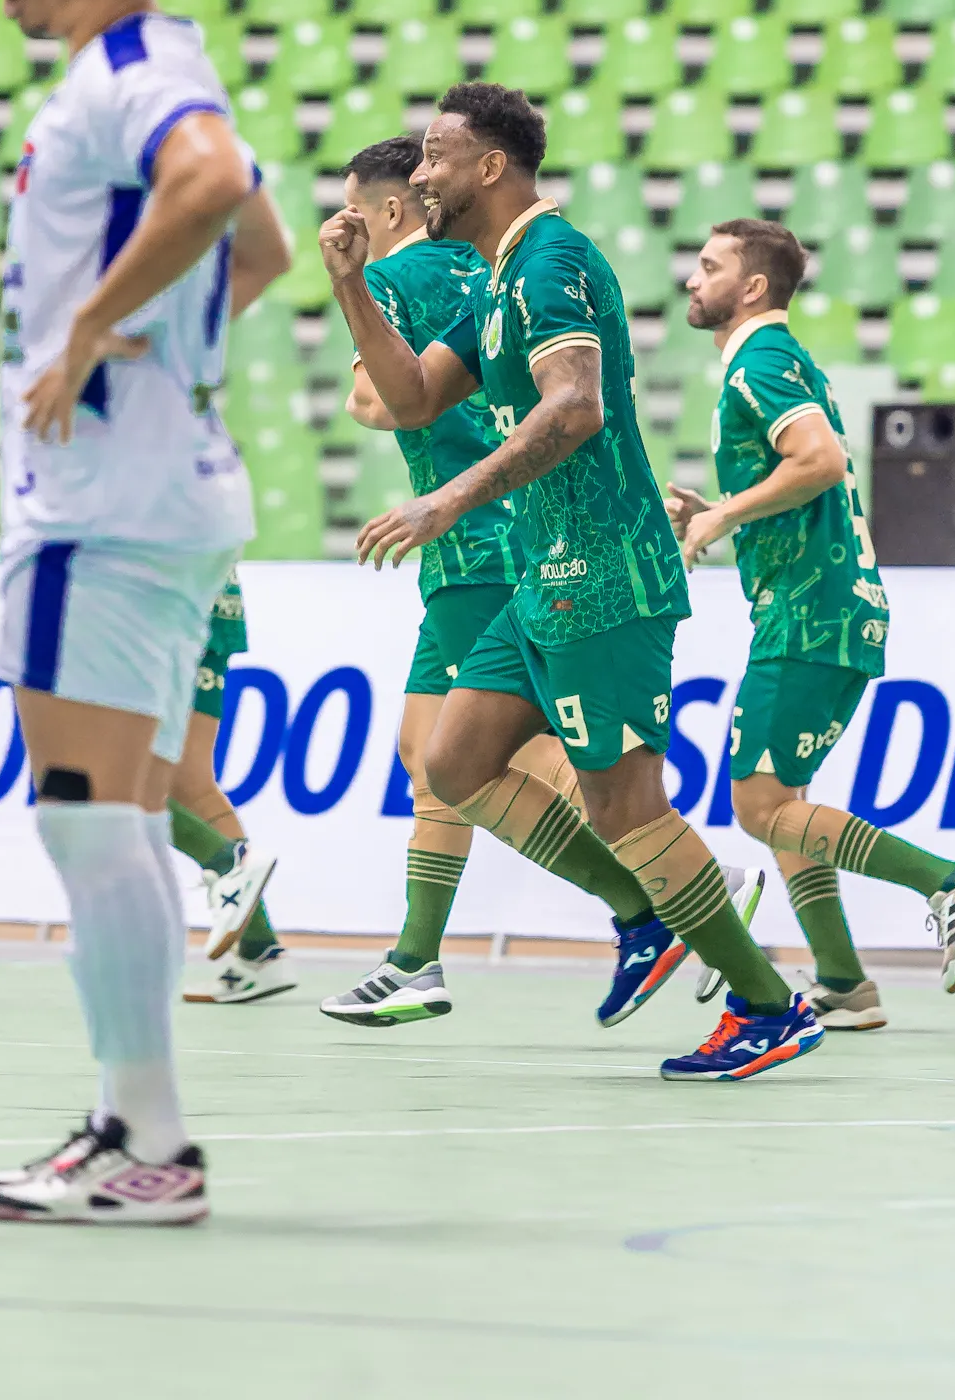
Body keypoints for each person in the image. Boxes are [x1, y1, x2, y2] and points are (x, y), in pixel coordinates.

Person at [318, 83, 823, 1082]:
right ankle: (645, 914)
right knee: (453, 761)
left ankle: (769, 1002)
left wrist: (445, 502)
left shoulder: (552, 261)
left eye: (437, 156)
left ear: (490, 166)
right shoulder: (498, 279)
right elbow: (413, 397)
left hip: (603, 572)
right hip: (537, 574)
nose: (420, 175)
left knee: (626, 805)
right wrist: (348, 288)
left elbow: (577, 406)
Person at [0, 0, 257, 1225]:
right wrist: (157, 352)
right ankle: (131, 1129)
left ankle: (149, 1142)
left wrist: (92, 333)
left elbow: (209, 187)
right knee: (120, 818)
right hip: (161, 493)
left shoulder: (131, 75)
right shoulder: (160, 64)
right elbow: (255, 252)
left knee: (84, 824)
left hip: (99, 511)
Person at [666, 219, 955, 1028]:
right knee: (785, 803)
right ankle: (842, 982)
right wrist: (722, 511)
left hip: (809, 611)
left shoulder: (760, 362)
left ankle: (948, 880)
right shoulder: (778, 363)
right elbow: (804, 481)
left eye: (709, 266)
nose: (690, 277)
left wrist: (722, 519)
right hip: (819, 606)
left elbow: (814, 462)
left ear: (752, 288)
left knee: (757, 807)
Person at [317, 136, 578, 1027]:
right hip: (512, 528)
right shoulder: (483, 268)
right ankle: (416, 961)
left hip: (472, 546)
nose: (346, 222)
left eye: (355, 204)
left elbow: (375, 401)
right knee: (426, 756)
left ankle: (674, 885)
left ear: (387, 212)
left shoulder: (393, 277)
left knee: (493, 751)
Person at [172, 190, 297, 1005]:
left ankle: (229, 868)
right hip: (207, 575)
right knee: (188, 784)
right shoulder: (187, 343)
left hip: (162, 577)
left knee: (105, 784)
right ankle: (261, 953)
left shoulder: (143, 345)